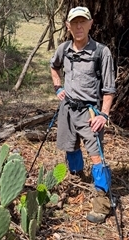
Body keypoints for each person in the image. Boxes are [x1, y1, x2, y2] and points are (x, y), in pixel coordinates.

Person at [50, 6, 116, 223]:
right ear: (68, 26)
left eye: (82, 22)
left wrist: (103, 115)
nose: (78, 26)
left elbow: (108, 88)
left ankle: (102, 202)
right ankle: (76, 180)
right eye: (74, 23)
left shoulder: (101, 52)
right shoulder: (64, 49)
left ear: (90, 24)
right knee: (71, 148)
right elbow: (54, 67)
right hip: (67, 109)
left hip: (90, 113)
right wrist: (58, 87)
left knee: (97, 157)